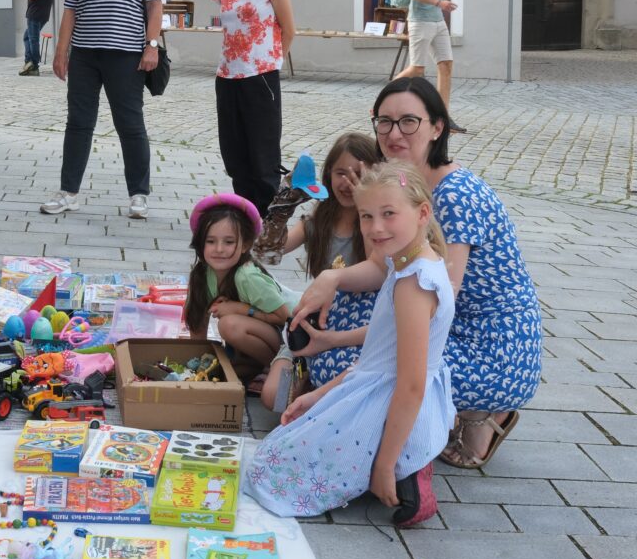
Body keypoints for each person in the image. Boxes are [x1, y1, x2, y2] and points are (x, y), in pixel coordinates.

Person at [293, 76, 542, 470]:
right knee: (341, 316)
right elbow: (379, 267)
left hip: (492, 350)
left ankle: (483, 413)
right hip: (451, 327)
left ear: (437, 127)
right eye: (384, 121)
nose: (394, 133)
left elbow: (436, 309)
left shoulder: (455, 196)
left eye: (409, 121)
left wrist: (336, 341)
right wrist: (332, 278)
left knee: (344, 362)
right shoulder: (407, 179)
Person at [246, 160, 455, 526]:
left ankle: (404, 464)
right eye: (366, 216)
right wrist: (318, 395)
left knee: (271, 474)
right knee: (274, 454)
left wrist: (385, 467)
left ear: (422, 213)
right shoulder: (405, 264)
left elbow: (409, 383)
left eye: (389, 214)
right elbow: (378, 358)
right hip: (374, 387)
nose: (375, 228)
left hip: (390, 401)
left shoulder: (413, 284)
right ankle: (403, 458)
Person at [45, 0, 165, 220]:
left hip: (126, 55)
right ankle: (69, 191)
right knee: (78, 123)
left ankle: (139, 194)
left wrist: (151, 45)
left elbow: (155, 4)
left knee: (130, 125)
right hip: (85, 54)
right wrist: (61, 50)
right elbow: (71, 7)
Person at [262, 134, 380, 408]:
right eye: (340, 172)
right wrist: (285, 202)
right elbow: (266, 252)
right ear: (328, 175)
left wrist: (367, 204)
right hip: (310, 327)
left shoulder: (377, 227)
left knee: (335, 397)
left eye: (359, 174)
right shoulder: (316, 223)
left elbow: (377, 266)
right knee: (275, 399)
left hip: (354, 332)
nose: (348, 182)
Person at [214, 0, 296, 218]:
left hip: (259, 78)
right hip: (227, 77)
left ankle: (269, 221)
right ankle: (245, 215)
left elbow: (289, 29)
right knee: (235, 154)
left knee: (262, 156)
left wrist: (270, 63)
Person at [184, 193, 292, 389]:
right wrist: (196, 365)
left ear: (246, 245)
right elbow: (197, 326)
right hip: (255, 340)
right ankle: (256, 367)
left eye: (229, 242)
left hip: (286, 337)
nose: (219, 249)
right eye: (210, 241)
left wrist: (240, 309)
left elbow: (285, 317)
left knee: (229, 324)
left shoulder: (247, 276)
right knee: (226, 371)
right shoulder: (201, 274)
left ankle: (275, 367)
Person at [393, 0, 466, 133]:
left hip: (437, 21)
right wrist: (438, 2)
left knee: (446, 65)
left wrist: (439, 6)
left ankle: (442, 118)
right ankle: (384, 97)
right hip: (420, 19)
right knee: (417, 69)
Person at [19, 0, 56, 76]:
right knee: (27, 37)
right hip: (44, 14)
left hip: (34, 13)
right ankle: (29, 61)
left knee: (33, 38)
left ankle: (33, 64)